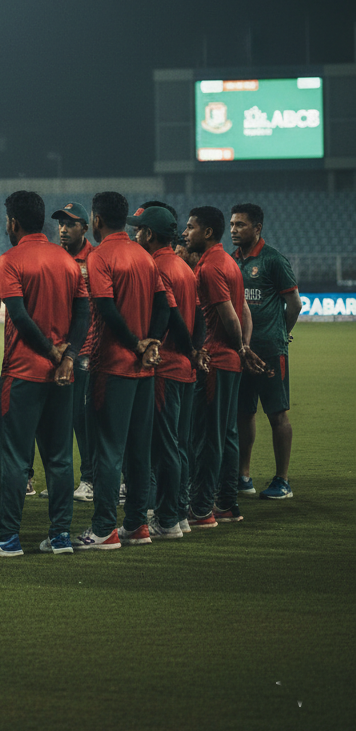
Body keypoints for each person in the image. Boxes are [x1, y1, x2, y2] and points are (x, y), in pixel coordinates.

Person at [0, 191, 89, 557]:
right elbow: (84, 314)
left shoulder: (10, 259)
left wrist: (49, 350)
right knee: (59, 457)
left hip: (23, 373)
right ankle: (60, 537)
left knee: (15, 459)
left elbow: (19, 316)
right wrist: (67, 356)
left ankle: (7, 538)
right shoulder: (68, 261)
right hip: (62, 375)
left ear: (13, 223)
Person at [73, 191, 169, 551]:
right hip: (145, 370)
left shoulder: (100, 257)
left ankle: (103, 530)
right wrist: (152, 342)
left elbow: (106, 309)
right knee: (139, 451)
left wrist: (134, 344)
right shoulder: (144, 256)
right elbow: (163, 306)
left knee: (107, 451)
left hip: (111, 366)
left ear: (96, 220)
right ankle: (136, 526)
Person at [127, 203, 204, 540]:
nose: (135, 233)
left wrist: (162, 344)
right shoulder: (184, 266)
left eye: (139, 229)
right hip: (184, 367)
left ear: (151, 234)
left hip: (168, 365)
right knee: (179, 445)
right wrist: (196, 350)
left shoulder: (157, 266)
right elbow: (198, 315)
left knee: (164, 447)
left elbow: (170, 313)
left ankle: (168, 520)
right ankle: (179, 513)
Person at [182, 205, 262, 528]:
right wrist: (243, 349)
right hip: (230, 363)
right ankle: (227, 503)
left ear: (207, 233)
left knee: (207, 438)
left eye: (190, 228)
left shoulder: (211, 267)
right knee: (227, 434)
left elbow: (230, 315)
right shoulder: (229, 263)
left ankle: (201, 509)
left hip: (215, 359)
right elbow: (245, 312)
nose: (186, 233)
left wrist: (241, 348)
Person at [230, 203, 301, 500]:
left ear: (257, 228)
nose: (233, 230)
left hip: (270, 351)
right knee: (244, 413)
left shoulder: (273, 260)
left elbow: (294, 303)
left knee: (277, 414)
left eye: (240, 225)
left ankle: (282, 481)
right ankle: (243, 476)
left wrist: (280, 335)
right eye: (232, 224)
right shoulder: (231, 260)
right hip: (241, 351)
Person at [51, 201, 94, 502]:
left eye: (71, 223)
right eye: (61, 223)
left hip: (87, 350)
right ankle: (65, 480)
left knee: (84, 418)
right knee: (63, 418)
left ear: (85, 228)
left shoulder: (95, 259)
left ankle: (90, 479)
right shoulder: (55, 258)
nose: (64, 228)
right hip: (61, 350)